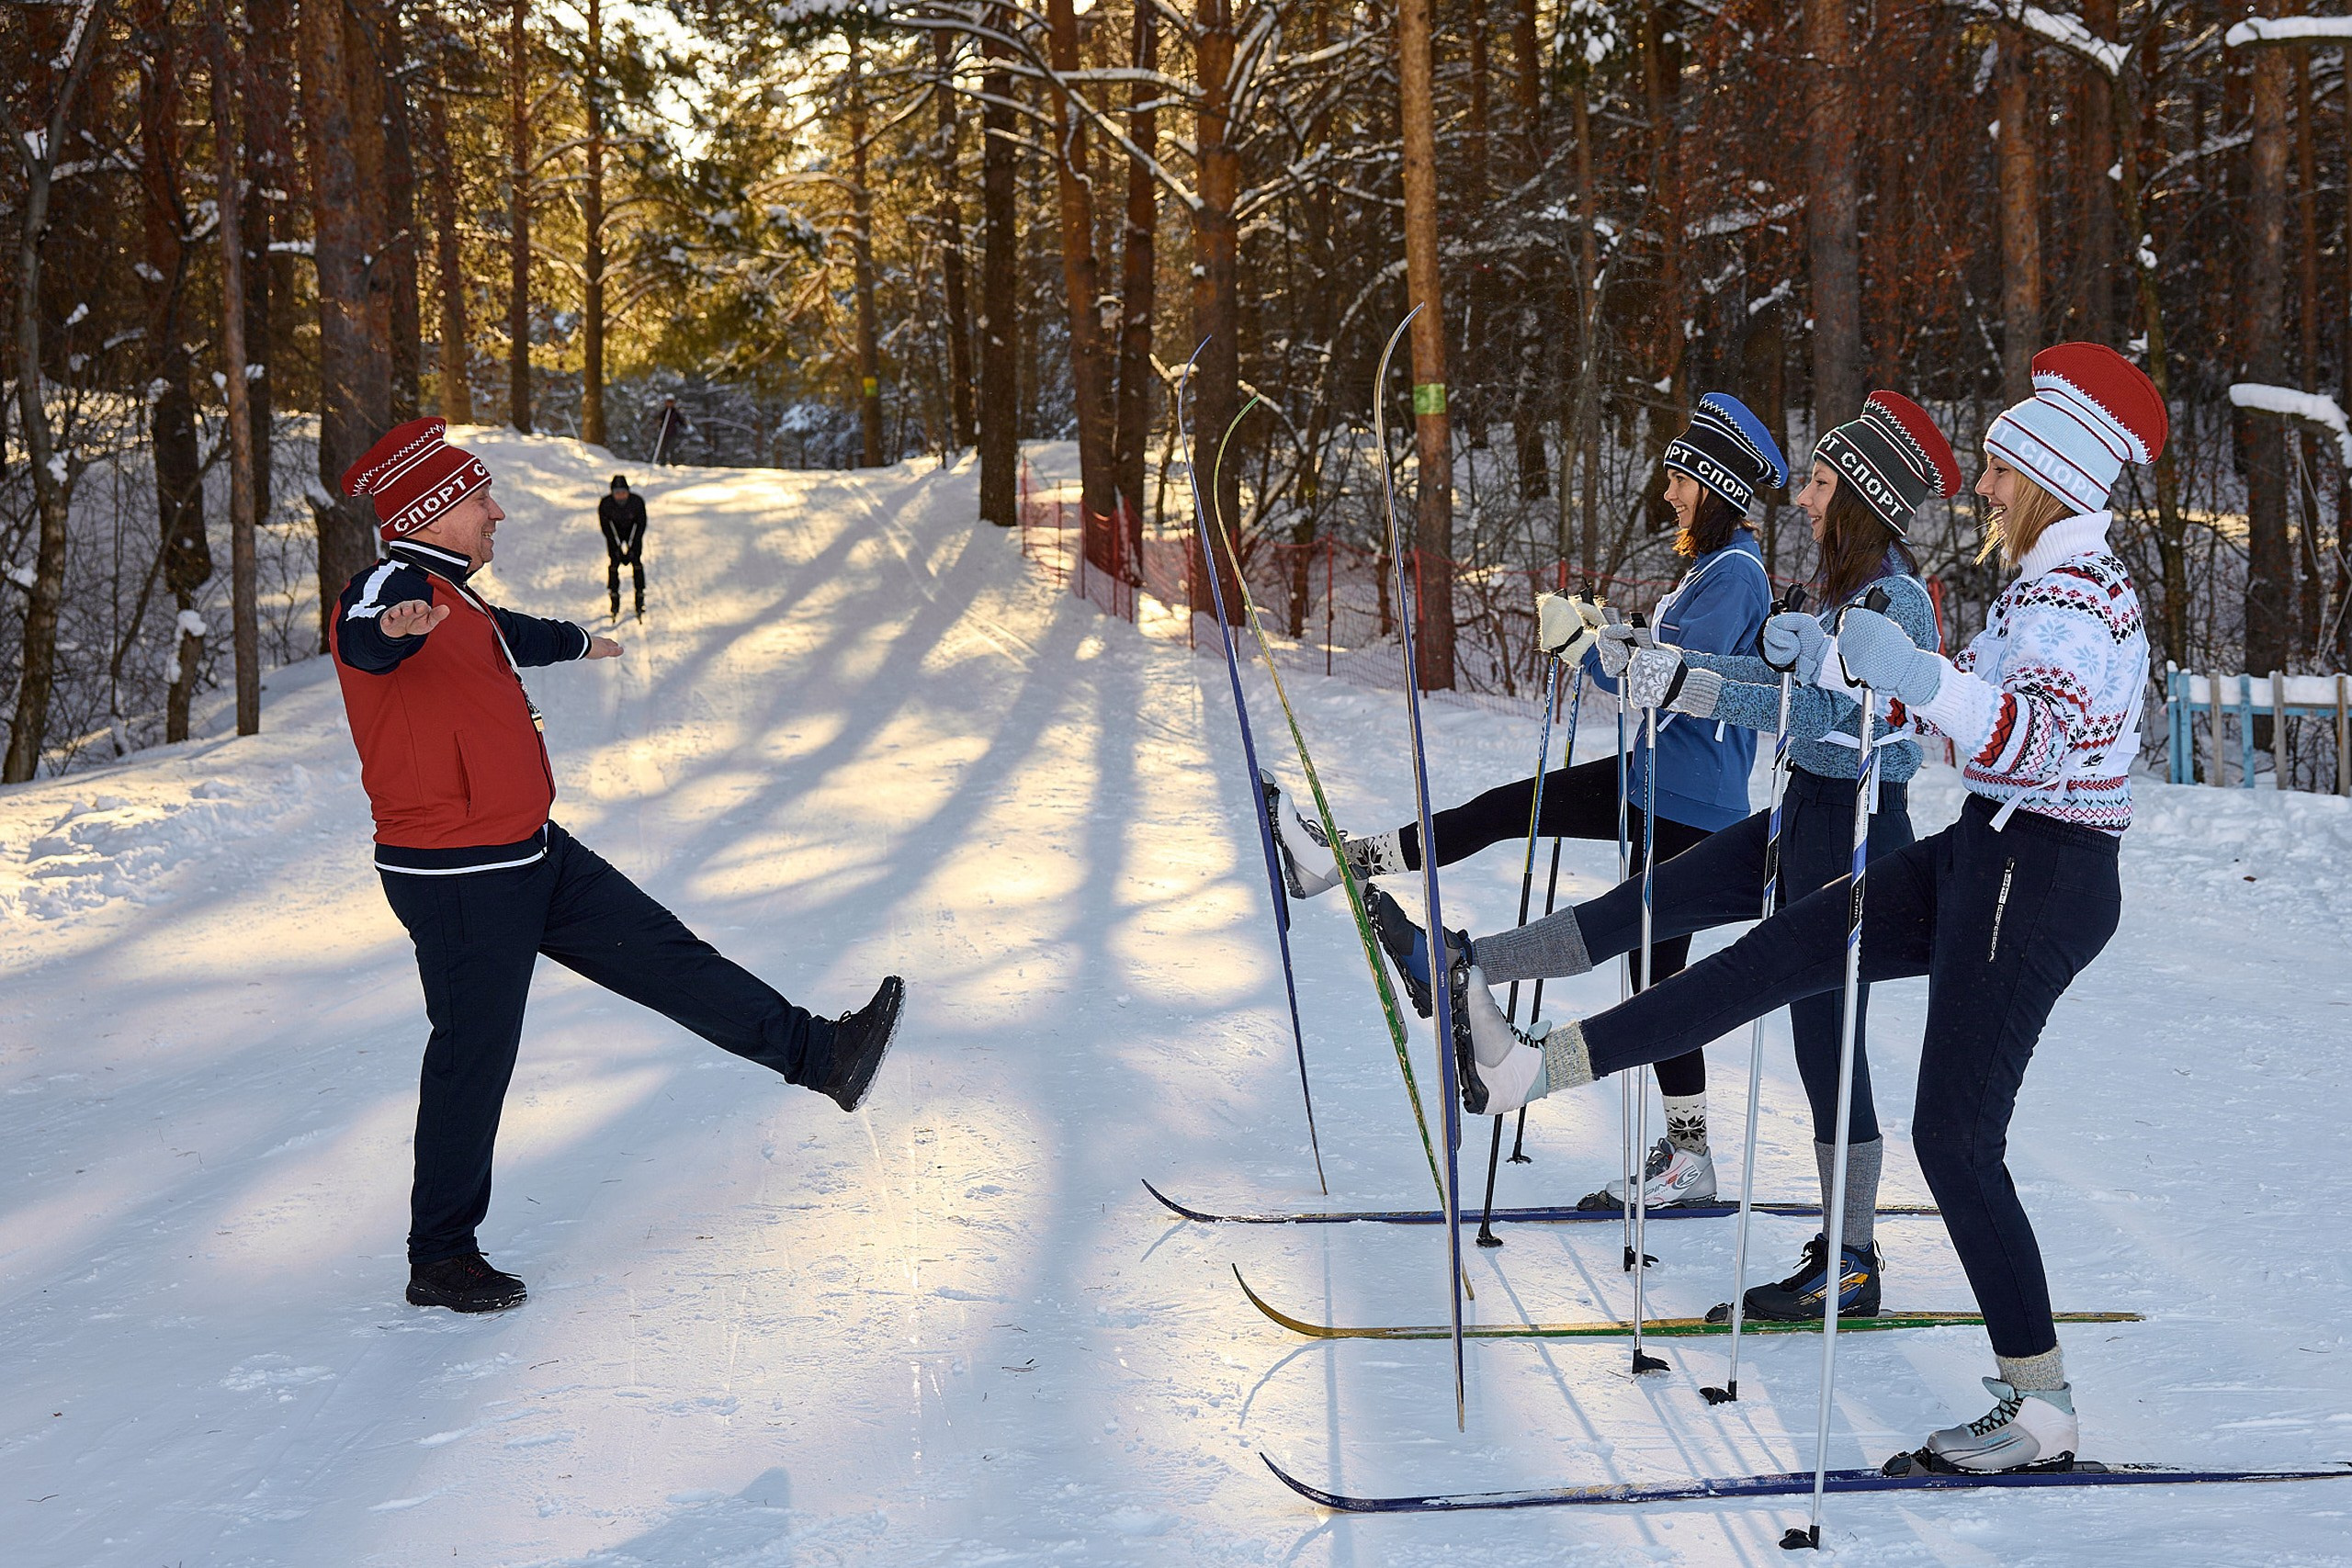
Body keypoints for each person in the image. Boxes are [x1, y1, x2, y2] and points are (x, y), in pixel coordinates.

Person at [1440, 344, 2165, 1472]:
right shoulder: (2038, 587)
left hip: (2044, 873)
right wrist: (1834, 661)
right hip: (1988, 849)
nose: (1979, 489)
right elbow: (1931, 721)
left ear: (2047, 478)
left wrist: (1912, 678)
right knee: (1771, 958)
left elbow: (2037, 734)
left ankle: (2039, 1407)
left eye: (1996, 471)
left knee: (1956, 1140)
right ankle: (1526, 1066)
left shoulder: (2081, 598)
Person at [1396, 391, 1956, 1319]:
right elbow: (1770, 681)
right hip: (1798, 817)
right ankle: (1460, 968)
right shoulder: (1836, 589)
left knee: (1825, 1052)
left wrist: (1691, 683)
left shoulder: (1894, 601)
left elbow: (1826, 713)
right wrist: (1661, 667)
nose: (1805, 500)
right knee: (1643, 907)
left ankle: (1850, 1262)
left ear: (1859, 493)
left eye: (1819, 483)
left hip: (1854, 836)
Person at [330, 418, 905, 1314]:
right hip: (459, 879)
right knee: (473, 1057)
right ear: (437, 511)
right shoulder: (392, 588)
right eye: (483, 500)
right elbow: (369, 634)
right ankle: (439, 1257)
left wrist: (576, 640)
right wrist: (392, 629)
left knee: (668, 957)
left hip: (528, 853)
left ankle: (824, 1055)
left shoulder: (456, 597)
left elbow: (498, 636)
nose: (498, 513)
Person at [1266, 392, 1786, 1208]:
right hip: (1657, 784)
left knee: (1656, 978)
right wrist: (1609, 629)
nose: (1669, 495)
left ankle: (1691, 1158)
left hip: (1689, 803)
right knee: (1512, 815)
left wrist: (1590, 651)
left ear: (1715, 484)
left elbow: (1682, 687)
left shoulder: (1735, 573)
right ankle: (1334, 863)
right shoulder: (1715, 569)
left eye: (1682, 480)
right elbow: (1668, 655)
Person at [599, 474, 648, 620]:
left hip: (633, 533)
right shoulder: (605, 504)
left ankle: (640, 597)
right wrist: (617, 547)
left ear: (628, 491)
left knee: (637, 562)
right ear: (612, 493)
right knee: (614, 563)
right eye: (617, 493)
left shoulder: (637, 502)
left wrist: (633, 547)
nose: (620, 496)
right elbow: (606, 528)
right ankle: (614, 598)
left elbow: (641, 525)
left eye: (623, 492)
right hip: (614, 535)